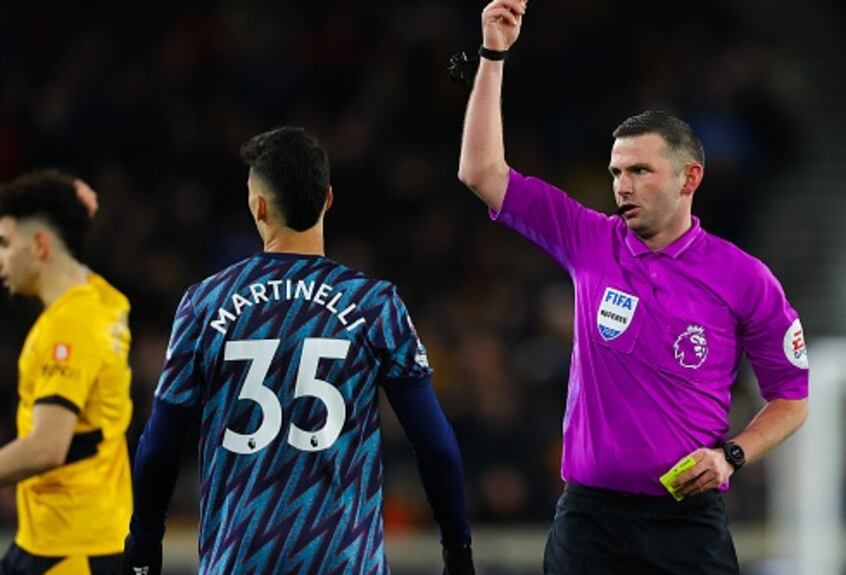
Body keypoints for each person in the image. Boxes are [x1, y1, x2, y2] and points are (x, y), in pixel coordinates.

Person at [457, 2, 810, 573]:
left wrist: (732, 456)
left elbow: (791, 398)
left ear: (689, 177)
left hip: (686, 524)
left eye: (640, 171)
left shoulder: (744, 277)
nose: (623, 185)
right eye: (617, 172)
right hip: (588, 522)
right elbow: (480, 171)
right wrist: (494, 54)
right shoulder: (588, 238)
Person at [122, 127, 474, 575]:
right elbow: (435, 444)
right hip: (343, 562)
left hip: (240, 561)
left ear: (258, 205)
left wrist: (145, 540)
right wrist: (457, 547)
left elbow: (159, 447)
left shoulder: (205, 303)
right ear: (328, 199)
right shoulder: (373, 304)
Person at [0, 171, 132, 574]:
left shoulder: (69, 326)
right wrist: (71, 201)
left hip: (69, 548)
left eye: (5, 243)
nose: (1, 259)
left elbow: (46, 447)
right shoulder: (102, 300)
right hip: (80, 534)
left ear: (39, 245)